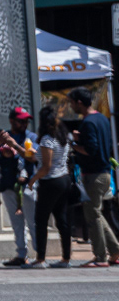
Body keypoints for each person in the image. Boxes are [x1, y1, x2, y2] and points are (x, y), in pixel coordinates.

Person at [68, 85, 116, 267]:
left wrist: (73, 145)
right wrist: (81, 139)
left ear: (79, 103)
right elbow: (102, 143)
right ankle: (115, 250)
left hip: (93, 175)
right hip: (104, 173)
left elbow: (91, 149)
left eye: (72, 103)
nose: (71, 106)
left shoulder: (88, 122)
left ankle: (100, 257)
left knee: (92, 216)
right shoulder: (101, 119)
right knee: (97, 213)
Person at [0, 106, 38, 266]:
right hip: (8, 184)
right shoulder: (4, 136)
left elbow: (33, 158)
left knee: (33, 221)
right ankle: (21, 254)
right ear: (12, 121)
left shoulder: (31, 137)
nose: (25, 123)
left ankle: (40, 254)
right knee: (16, 223)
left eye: (26, 121)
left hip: (27, 185)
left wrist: (15, 145)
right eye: (21, 120)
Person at [32, 104, 74, 268]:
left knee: (41, 219)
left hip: (50, 181)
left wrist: (33, 179)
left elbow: (46, 167)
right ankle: (65, 258)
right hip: (64, 179)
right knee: (62, 219)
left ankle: (41, 258)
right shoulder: (65, 135)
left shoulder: (47, 139)